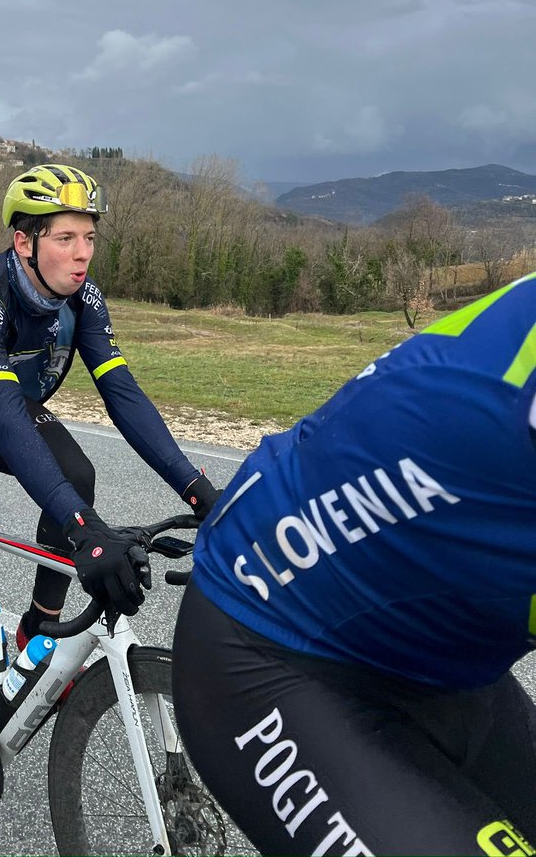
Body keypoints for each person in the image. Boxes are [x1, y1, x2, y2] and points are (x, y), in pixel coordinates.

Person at [0, 163, 219, 828]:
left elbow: (123, 396)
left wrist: (200, 491)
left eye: (89, 237)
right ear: (24, 241)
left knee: (76, 478)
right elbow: (2, 413)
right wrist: (84, 533)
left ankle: (34, 628)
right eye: (64, 237)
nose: (81, 253)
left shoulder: (82, 303)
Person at [172, 270, 536, 857]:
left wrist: (188, 485)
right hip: (275, 646)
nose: (81, 249)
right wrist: (82, 521)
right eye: (66, 236)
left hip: (444, 661)